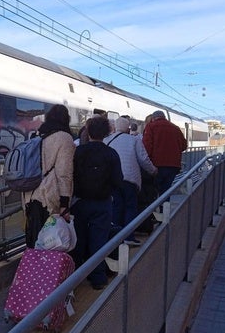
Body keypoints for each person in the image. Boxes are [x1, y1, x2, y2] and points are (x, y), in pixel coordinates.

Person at [71, 116, 123, 289]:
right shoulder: (111, 153)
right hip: (103, 203)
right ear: (107, 133)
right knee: (98, 241)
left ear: (88, 131)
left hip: (79, 203)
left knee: (78, 240)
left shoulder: (78, 152)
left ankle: (75, 277)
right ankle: (98, 278)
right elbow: (118, 180)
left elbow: (71, 176)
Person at [23, 104, 75, 247]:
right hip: (49, 197)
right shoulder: (64, 138)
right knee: (51, 242)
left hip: (31, 194)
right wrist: (65, 204)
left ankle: (32, 267)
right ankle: (46, 269)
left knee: (34, 239)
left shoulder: (37, 134)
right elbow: (64, 174)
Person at [104, 117, 157, 246]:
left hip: (114, 179)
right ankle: (129, 236)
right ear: (128, 128)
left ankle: (115, 237)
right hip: (130, 179)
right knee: (130, 208)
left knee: (116, 207)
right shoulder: (134, 140)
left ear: (115, 127)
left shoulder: (107, 140)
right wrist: (153, 170)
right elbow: (143, 159)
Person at [143, 110, 187, 196]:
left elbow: (147, 146)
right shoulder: (176, 128)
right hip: (173, 166)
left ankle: (155, 207)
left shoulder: (151, 127)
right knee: (166, 190)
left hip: (157, 165)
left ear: (153, 118)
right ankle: (165, 207)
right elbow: (184, 146)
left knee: (154, 190)